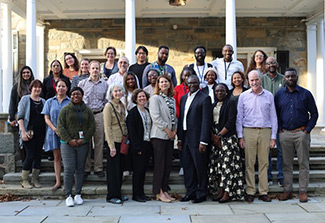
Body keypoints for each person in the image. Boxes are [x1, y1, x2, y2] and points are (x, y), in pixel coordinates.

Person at [276, 68, 318, 203]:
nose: (290, 78)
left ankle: (302, 191)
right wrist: (280, 129)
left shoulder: (306, 94)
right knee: (287, 164)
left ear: (296, 77)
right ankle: (287, 190)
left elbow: (314, 113)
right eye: (287, 76)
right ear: (284, 78)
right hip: (285, 134)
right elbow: (274, 113)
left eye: (292, 76)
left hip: (301, 133)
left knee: (303, 163)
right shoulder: (279, 94)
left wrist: (307, 130)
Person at [236, 70, 277, 203]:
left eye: (256, 80)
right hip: (249, 131)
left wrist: (273, 137)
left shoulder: (269, 96)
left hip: (265, 131)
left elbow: (273, 116)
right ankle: (250, 191)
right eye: (252, 80)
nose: (254, 82)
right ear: (248, 81)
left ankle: (263, 191)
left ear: (261, 80)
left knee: (264, 162)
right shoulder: (243, 96)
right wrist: (240, 136)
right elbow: (239, 118)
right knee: (249, 163)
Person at [57, 87, 96, 207]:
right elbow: (60, 126)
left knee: (80, 169)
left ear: (82, 95)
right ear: (70, 96)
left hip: (82, 144)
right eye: (73, 94)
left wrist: (84, 139)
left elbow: (92, 126)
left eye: (78, 94)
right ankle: (68, 195)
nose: (75, 96)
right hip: (67, 144)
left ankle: (78, 193)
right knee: (69, 169)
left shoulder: (87, 110)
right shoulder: (65, 110)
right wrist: (69, 140)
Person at [177, 75, 212, 203]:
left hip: (198, 139)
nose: (192, 85)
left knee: (200, 166)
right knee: (188, 166)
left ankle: (201, 193)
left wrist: (203, 141)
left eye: (195, 83)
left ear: (199, 84)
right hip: (185, 137)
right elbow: (181, 119)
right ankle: (190, 192)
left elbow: (206, 121)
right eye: (190, 83)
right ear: (186, 83)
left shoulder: (205, 98)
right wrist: (180, 138)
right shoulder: (183, 98)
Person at [208, 83, 244, 203]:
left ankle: (228, 193)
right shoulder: (213, 105)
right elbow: (210, 122)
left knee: (227, 167)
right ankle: (221, 191)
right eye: (217, 91)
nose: (219, 93)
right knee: (218, 167)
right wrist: (213, 137)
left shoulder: (231, 103)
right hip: (215, 140)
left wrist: (219, 136)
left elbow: (231, 121)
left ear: (226, 92)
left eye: (222, 90)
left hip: (227, 138)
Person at [149, 75, 177, 203]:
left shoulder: (171, 99)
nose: (164, 84)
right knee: (160, 165)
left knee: (167, 165)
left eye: (166, 81)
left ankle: (165, 189)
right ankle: (158, 191)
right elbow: (156, 117)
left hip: (170, 137)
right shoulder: (155, 98)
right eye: (161, 82)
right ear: (158, 85)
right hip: (159, 136)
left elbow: (174, 117)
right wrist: (168, 131)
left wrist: (174, 131)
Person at [78, 60, 108, 178]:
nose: (95, 70)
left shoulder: (105, 84)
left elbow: (107, 100)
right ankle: (86, 168)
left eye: (97, 68)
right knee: (86, 141)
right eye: (93, 68)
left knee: (99, 141)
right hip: (86, 114)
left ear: (99, 70)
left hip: (99, 114)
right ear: (89, 70)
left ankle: (98, 167)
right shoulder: (82, 84)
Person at [42, 79, 70, 191]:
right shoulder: (49, 101)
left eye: (63, 86)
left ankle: (68, 182)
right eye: (59, 86)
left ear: (67, 88)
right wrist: (54, 129)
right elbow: (46, 117)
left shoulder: (70, 101)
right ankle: (58, 181)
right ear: (56, 88)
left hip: (67, 134)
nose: (61, 88)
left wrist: (64, 131)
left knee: (67, 159)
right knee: (57, 157)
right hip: (53, 132)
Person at [17, 79, 46, 189]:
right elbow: (20, 116)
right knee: (30, 155)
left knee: (38, 155)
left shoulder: (43, 101)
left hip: (40, 132)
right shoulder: (25, 99)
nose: (37, 89)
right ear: (31, 88)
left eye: (39, 87)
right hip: (28, 132)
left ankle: (35, 178)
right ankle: (24, 179)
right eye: (35, 87)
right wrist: (23, 132)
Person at [262, 57, 285, 187]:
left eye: (273, 62)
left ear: (277, 64)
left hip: (281, 120)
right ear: (265, 65)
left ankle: (281, 176)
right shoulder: (262, 79)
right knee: (267, 151)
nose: (271, 65)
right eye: (268, 63)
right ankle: (269, 176)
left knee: (281, 150)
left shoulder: (283, 79)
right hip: (266, 121)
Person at [103, 83, 129, 204]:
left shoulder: (122, 105)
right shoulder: (108, 106)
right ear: (111, 93)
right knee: (113, 170)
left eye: (119, 91)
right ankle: (111, 195)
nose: (118, 93)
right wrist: (111, 146)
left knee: (119, 169)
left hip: (122, 140)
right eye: (115, 91)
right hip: (113, 141)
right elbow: (107, 127)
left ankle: (118, 193)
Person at [126, 89, 152, 202]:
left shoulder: (147, 111)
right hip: (138, 147)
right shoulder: (133, 113)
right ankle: (136, 194)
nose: (142, 98)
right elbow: (131, 132)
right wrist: (137, 147)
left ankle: (141, 193)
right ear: (135, 99)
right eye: (139, 97)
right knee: (138, 171)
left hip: (147, 144)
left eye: (143, 96)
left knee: (143, 171)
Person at [9, 66, 35, 161]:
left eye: (28, 72)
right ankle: (25, 161)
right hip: (21, 116)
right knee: (23, 139)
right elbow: (12, 102)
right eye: (24, 73)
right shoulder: (17, 87)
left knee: (33, 138)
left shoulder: (35, 85)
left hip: (33, 115)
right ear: (21, 74)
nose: (26, 74)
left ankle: (33, 161)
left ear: (31, 73)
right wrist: (12, 117)